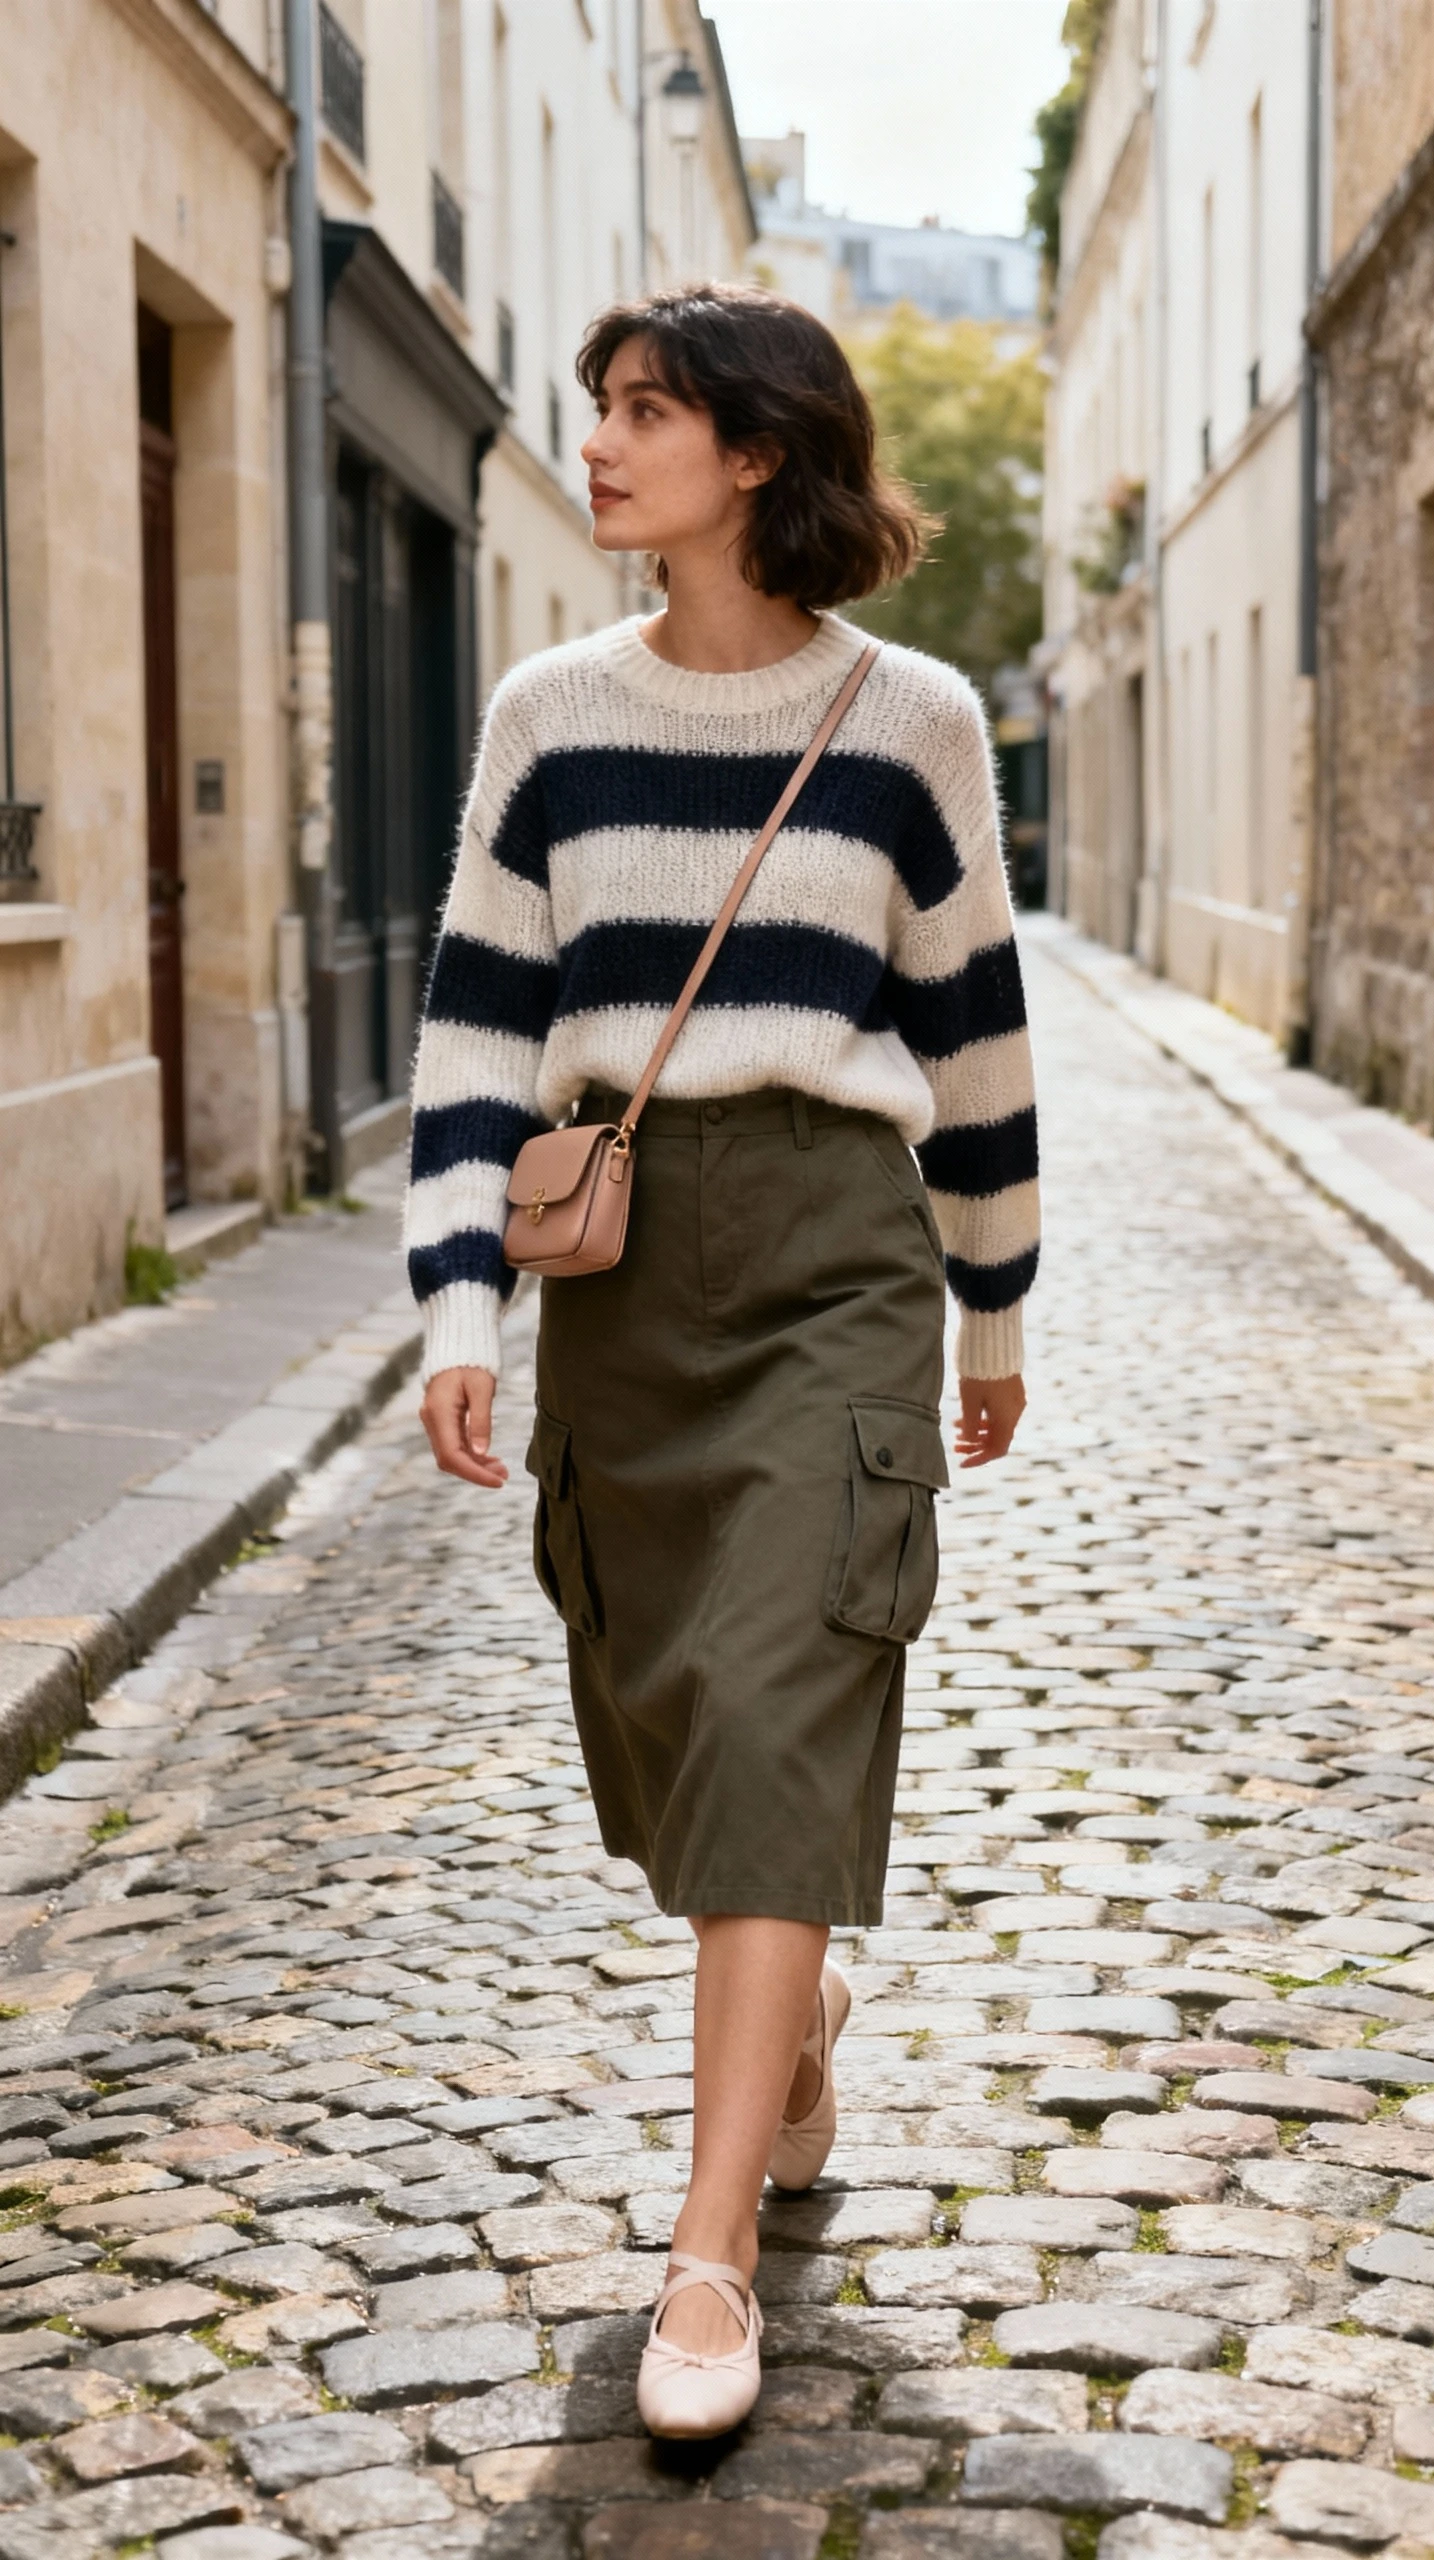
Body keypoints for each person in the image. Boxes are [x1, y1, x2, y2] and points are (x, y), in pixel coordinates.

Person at [405, 283, 1039, 2440]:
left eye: (645, 411)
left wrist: (997, 1301)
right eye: (599, 410)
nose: (598, 443)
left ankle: (702, 2252)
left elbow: (975, 1036)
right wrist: (459, 1306)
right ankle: (804, 2008)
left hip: (839, 1257)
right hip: (623, 1268)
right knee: (672, 1710)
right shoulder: (548, 712)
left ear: (756, 453)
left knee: (780, 1693)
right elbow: (483, 1022)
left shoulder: (915, 718)